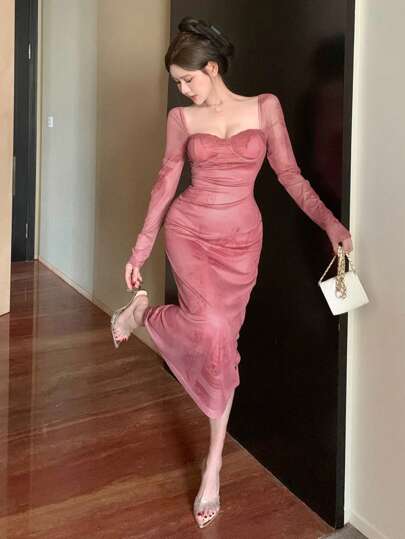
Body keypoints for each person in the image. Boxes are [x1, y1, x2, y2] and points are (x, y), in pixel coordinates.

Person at [111, 16, 353, 528]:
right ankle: (143, 316)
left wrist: (330, 223)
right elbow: (165, 183)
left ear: (212, 68)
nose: (182, 90)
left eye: (187, 80)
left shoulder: (265, 108)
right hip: (189, 231)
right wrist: (140, 250)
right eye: (177, 83)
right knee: (212, 327)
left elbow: (291, 176)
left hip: (241, 243)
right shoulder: (182, 119)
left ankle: (213, 462)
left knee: (222, 345)